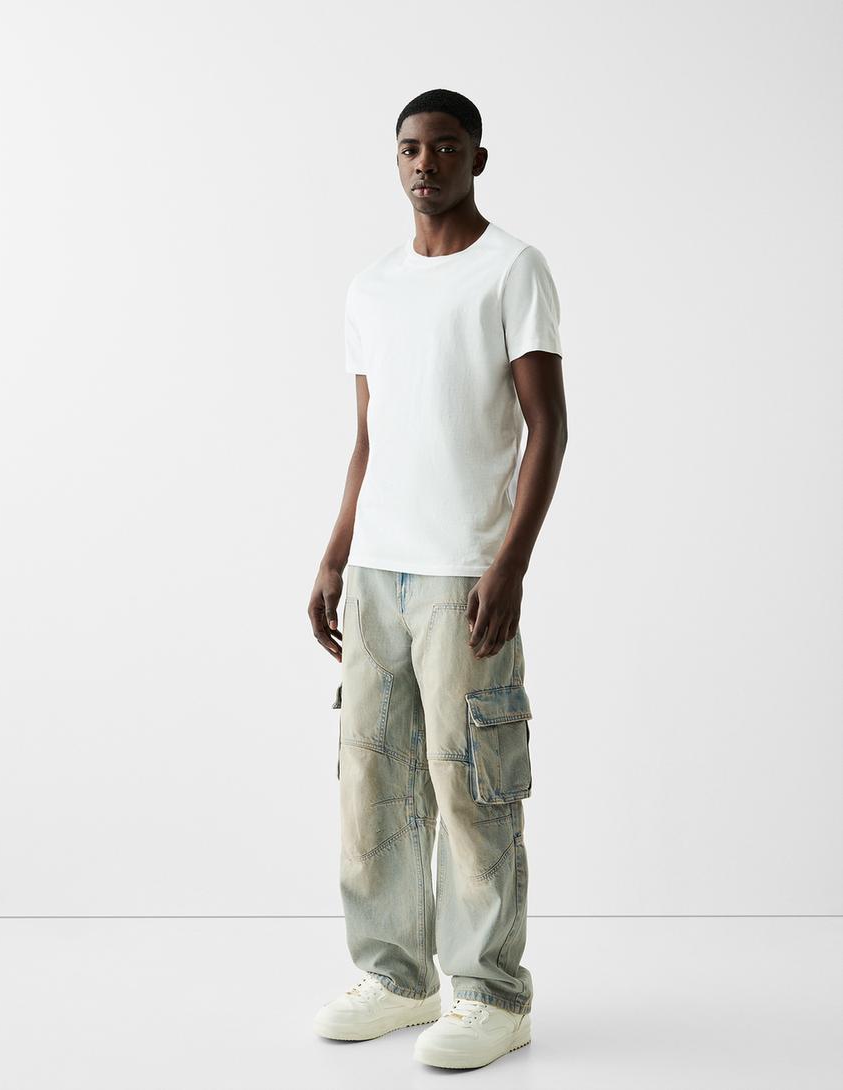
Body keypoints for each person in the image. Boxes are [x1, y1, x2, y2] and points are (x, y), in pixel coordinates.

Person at [307, 87, 568, 1070]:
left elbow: (548, 426)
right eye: (412, 149)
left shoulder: (513, 270)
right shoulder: (370, 288)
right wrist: (335, 553)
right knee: (372, 782)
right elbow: (367, 437)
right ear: (398, 159)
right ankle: (397, 978)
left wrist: (511, 562)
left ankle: (493, 994)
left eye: (447, 147)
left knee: (471, 786)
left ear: (477, 159)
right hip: (378, 571)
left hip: (465, 572)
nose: (427, 164)